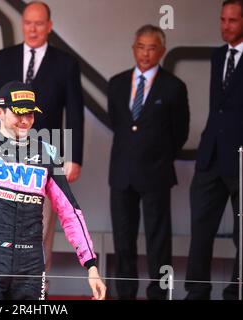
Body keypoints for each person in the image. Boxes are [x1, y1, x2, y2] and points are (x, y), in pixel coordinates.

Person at [0, 73, 106, 299]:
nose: (25, 120)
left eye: (30, 114)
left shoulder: (47, 153)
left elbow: (69, 211)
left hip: (31, 268)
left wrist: (91, 265)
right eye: (18, 114)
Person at [0, 1, 84, 292]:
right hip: (2, 155)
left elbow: (74, 112)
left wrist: (73, 157)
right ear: (22, 24)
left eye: (39, 23)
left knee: (41, 225)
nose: (33, 28)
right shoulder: (2, 58)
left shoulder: (66, 62)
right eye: (28, 22)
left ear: (49, 26)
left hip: (44, 157)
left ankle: (38, 287)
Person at [107, 25, 190, 300]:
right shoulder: (116, 83)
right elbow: (117, 123)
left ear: (162, 51)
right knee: (123, 240)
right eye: (141, 46)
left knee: (158, 241)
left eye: (152, 47)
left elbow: (180, 133)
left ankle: (158, 293)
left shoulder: (174, 87)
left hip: (156, 173)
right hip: (121, 174)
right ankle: (126, 293)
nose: (145, 52)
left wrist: (156, 155)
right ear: (133, 49)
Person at [185, 0, 243, 300]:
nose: (225, 26)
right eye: (222, 19)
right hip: (210, 158)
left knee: (242, 236)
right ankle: (196, 292)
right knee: (201, 230)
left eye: (232, 20)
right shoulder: (219, 56)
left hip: (242, 160)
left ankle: (237, 293)